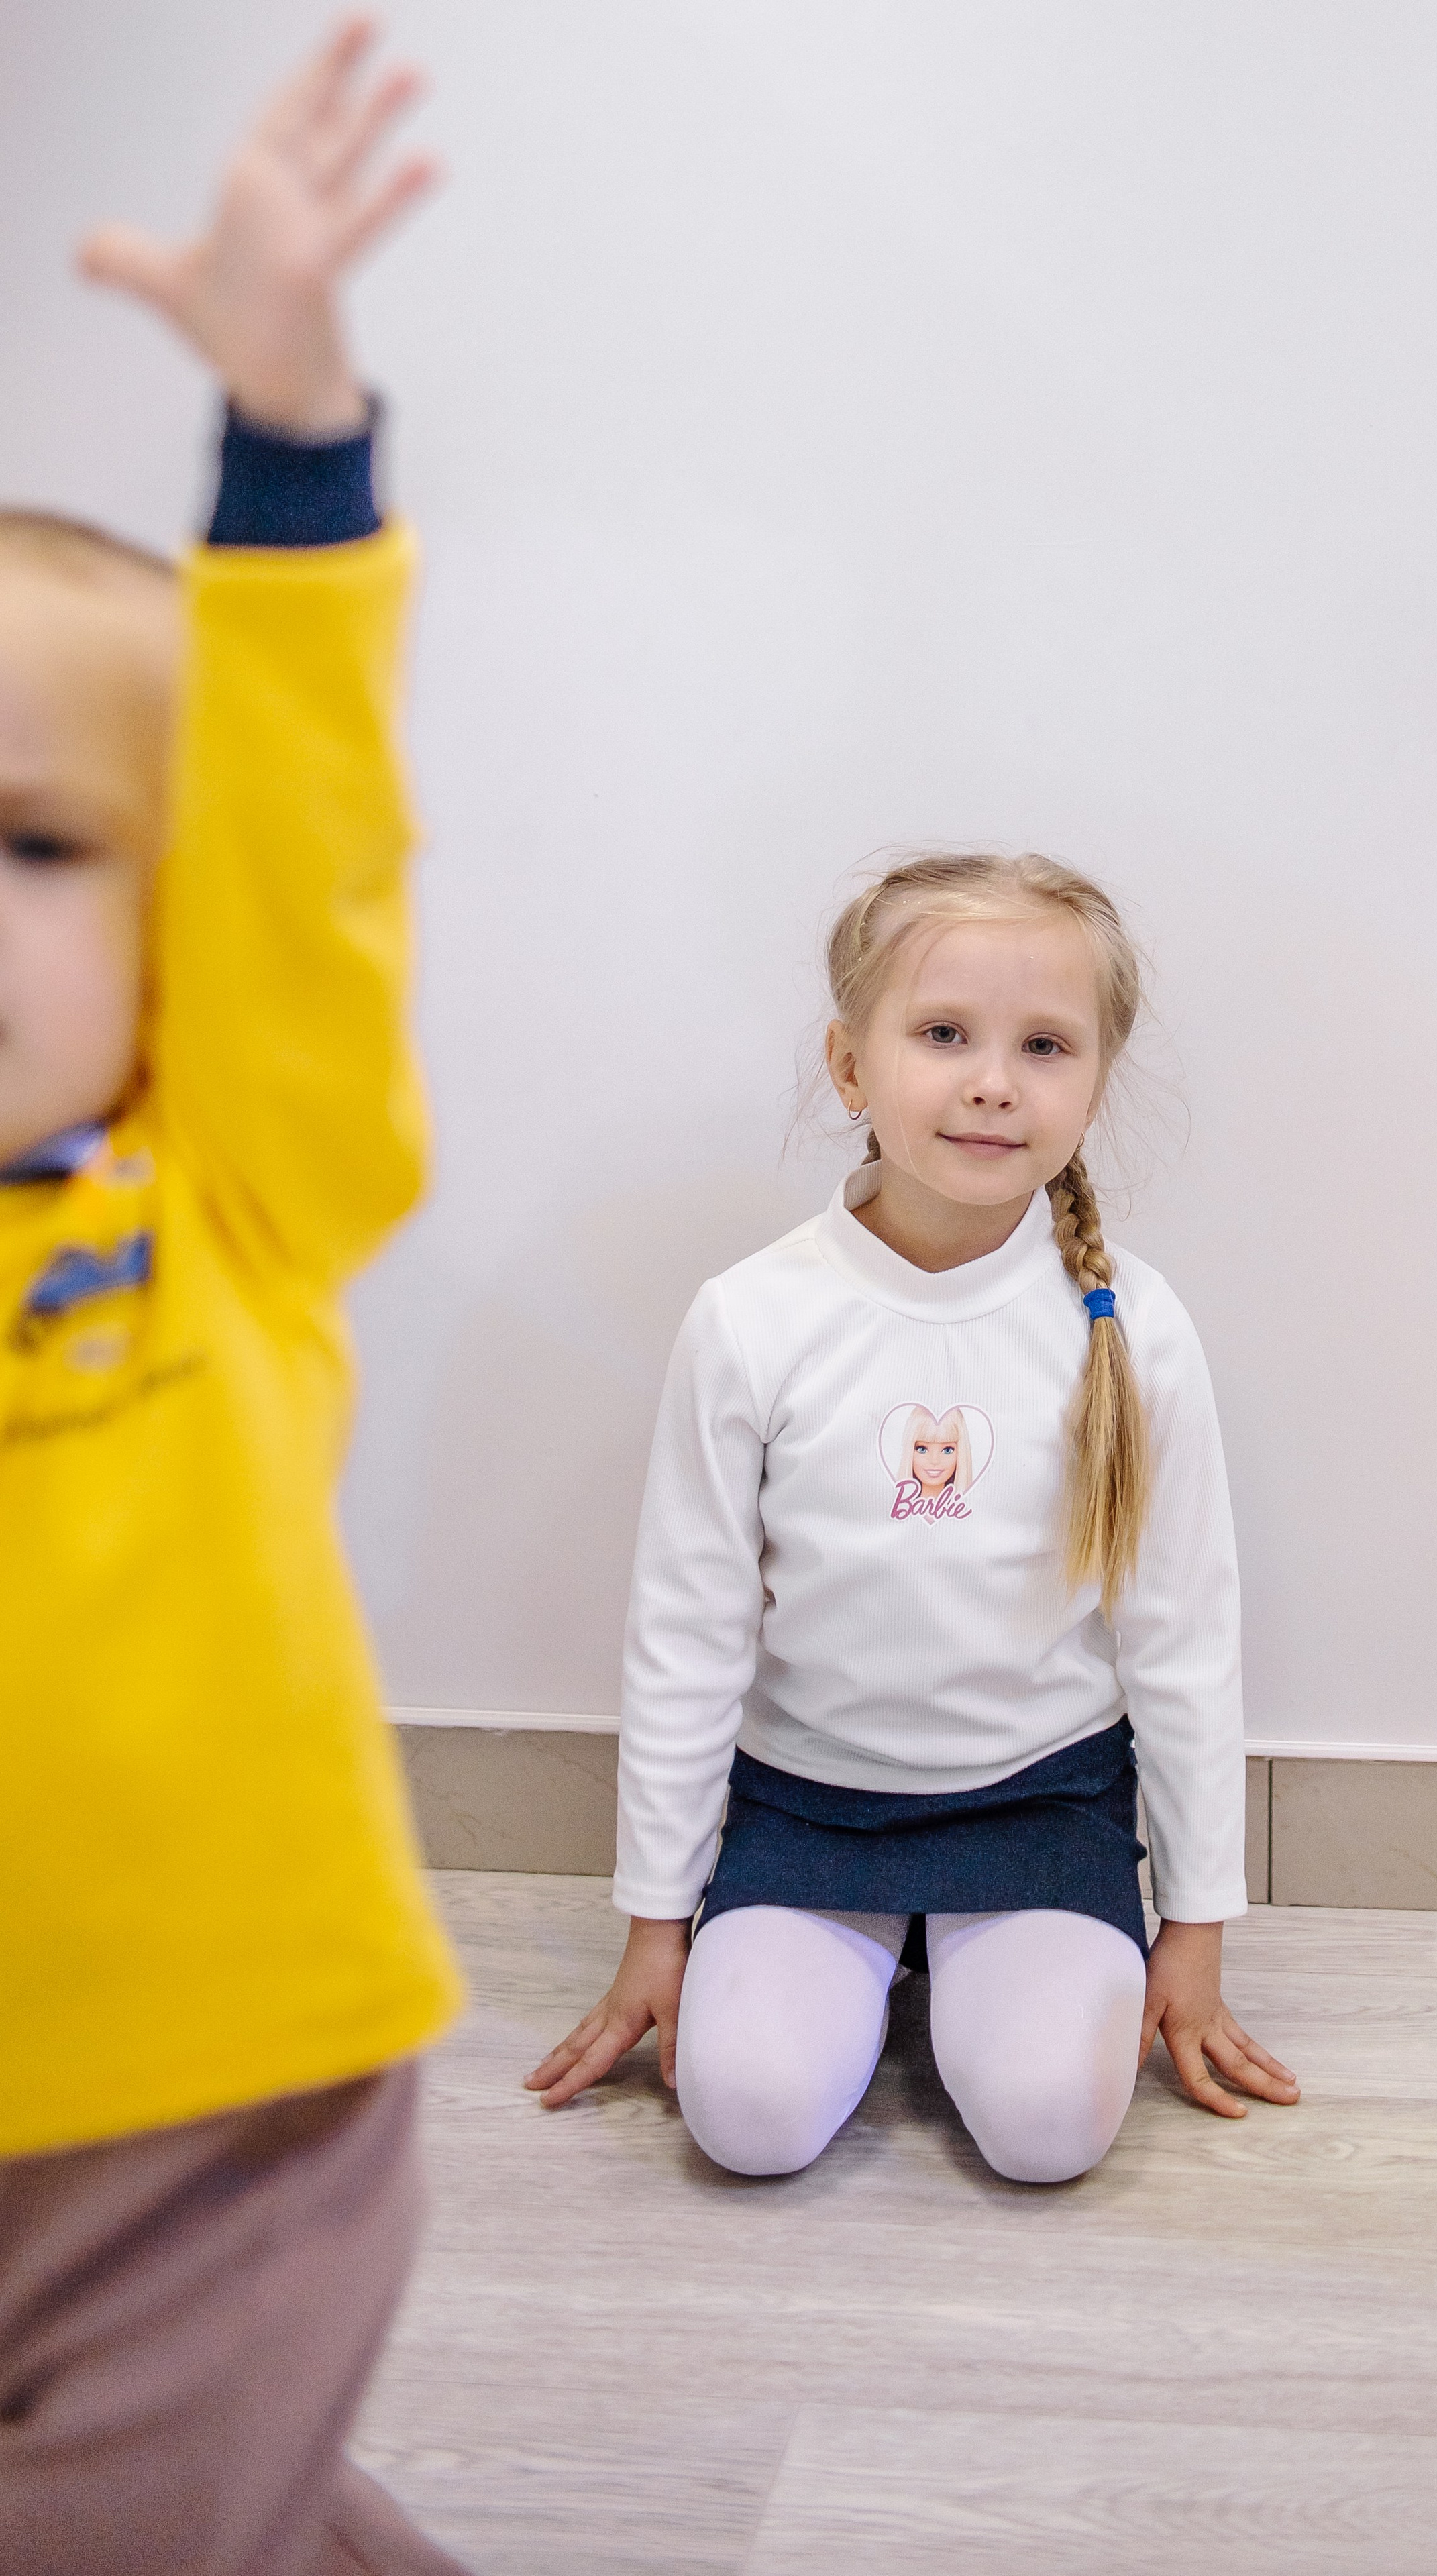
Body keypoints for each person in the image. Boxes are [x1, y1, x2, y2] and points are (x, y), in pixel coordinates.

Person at [0, 24, 471, 2571]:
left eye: (35, 841)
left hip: (211, 2102)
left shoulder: (230, 1199)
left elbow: (310, 865)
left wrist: (292, 442)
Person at [527, 851, 1300, 2184]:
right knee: (746, 2122)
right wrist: (657, 1922)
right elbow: (687, 1635)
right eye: (942, 1034)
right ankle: (870, 1951)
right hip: (807, 1807)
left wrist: (1195, 1929)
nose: (991, 1080)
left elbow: (1181, 1643)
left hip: (1041, 1803)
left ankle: (966, 1955)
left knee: (1049, 2132)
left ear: (1092, 1082)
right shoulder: (753, 1320)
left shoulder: (1132, 1329)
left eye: (1042, 1044)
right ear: (848, 1065)